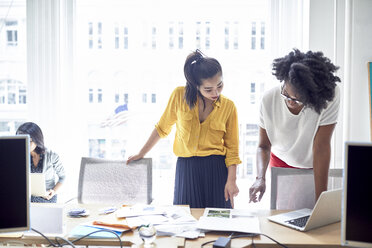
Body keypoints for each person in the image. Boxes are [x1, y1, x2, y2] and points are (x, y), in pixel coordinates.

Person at [127, 50, 241, 208]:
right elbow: (162, 128)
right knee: (185, 223)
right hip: (187, 169)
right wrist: (141, 153)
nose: (216, 92)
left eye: (219, 85)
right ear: (195, 85)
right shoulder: (179, 96)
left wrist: (231, 181)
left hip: (217, 169)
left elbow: (232, 149)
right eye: (208, 89)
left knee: (219, 223)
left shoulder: (229, 106)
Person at [249, 49, 341, 204]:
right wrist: (260, 178)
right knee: (284, 213)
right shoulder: (269, 99)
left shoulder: (328, 97)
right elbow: (263, 146)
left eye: (297, 100)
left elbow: (321, 147)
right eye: (286, 94)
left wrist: (321, 201)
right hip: (281, 162)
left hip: (313, 163)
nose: (290, 102)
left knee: (313, 212)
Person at [16, 122, 66, 203]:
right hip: (28, 198)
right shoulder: (19, 156)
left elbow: (63, 177)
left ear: (37, 140)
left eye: (29, 141)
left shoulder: (51, 155)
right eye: (21, 140)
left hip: (47, 198)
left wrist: (53, 191)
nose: (24, 144)